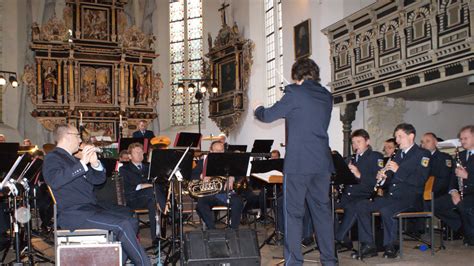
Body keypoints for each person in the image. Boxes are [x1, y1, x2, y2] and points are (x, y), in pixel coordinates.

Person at [253, 58, 336, 265]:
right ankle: (330, 261)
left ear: (297, 77)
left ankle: (293, 262)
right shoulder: (327, 96)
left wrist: (257, 108)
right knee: (322, 215)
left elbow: (268, 115)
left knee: (293, 214)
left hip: (299, 164)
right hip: (322, 164)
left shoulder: (295, 93)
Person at [43, 124, 150, 265]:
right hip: (74, 213)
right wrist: (82, 163)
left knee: (131, 218)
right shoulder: (53, 157)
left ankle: (116, 261)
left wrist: (95, 163)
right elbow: (55, 180)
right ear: (67, 137)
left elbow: (98, 180)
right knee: (122, 225)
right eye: (77, 136)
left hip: (90, 207)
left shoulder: (73, 159)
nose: (80, 140)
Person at [352, 123, 430, 259]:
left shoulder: (423, 154)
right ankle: (369, 245)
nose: (397, 141)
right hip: (393, 197)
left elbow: (420, 180)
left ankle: (392, 246)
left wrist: (398, 170)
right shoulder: (398, 154)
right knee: (361, 205)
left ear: (411, 136)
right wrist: (382, 178)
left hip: (411, 198)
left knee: (387, 210)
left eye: (400, 137)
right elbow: (390, 179)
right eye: (396, 137)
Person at [335, 129, 384, 250]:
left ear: (367, 141)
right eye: (353, 142)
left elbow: (377, 181)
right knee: (325, 206)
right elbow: (340, 180)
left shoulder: (375, 157)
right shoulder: (349, 159)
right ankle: (344, 239)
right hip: (347, 196)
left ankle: (339, 237)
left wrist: (359, 174)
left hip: (364, 196)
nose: (355, 145)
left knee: (354, 207)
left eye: (358, 141)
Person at [119, 142, 166, 243]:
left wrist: (149, 185)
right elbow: (128, 188)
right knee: (152, 191)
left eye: (141, 152)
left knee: (153, 201)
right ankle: (167, 210)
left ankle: (156, 238)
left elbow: (158, 182)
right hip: (134, 198)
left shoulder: (149, 167)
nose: (140, 154)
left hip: (150, 196)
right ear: (130, 156)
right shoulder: (124, 169)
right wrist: (144, 185)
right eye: (137, 152)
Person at [435, 125, 474, 245]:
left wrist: (467, 176)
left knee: (464, 206)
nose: (462, 141)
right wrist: (453, 192)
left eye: (465, 138)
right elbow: (452, 178)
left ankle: (471, 236)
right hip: (460, 193)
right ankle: (463, 229)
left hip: (472, 193)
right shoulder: (460, 155)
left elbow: (465, 176)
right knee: (434, 205)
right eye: (461, 139)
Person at [196, 141, 244, 230]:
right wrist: (201, 176)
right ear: (211, 151)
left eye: (221, 150)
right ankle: (212, 229)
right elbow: (192, 175)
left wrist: (232, 177)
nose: (219, 152)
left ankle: (233, 230)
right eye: (216, 150)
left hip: (225, 194)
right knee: (200, 205)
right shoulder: (203, 162)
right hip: (208, 194)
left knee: (238, 202)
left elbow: (241, 173)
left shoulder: (230, 161)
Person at [421, 132, 454, 198]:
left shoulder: (444, 158)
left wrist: (428, 192)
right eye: (422, 142)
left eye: (427, 141)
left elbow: (444, 180)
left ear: (435, 142)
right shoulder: (419, 158)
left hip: (436, 194)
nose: (424, 144)